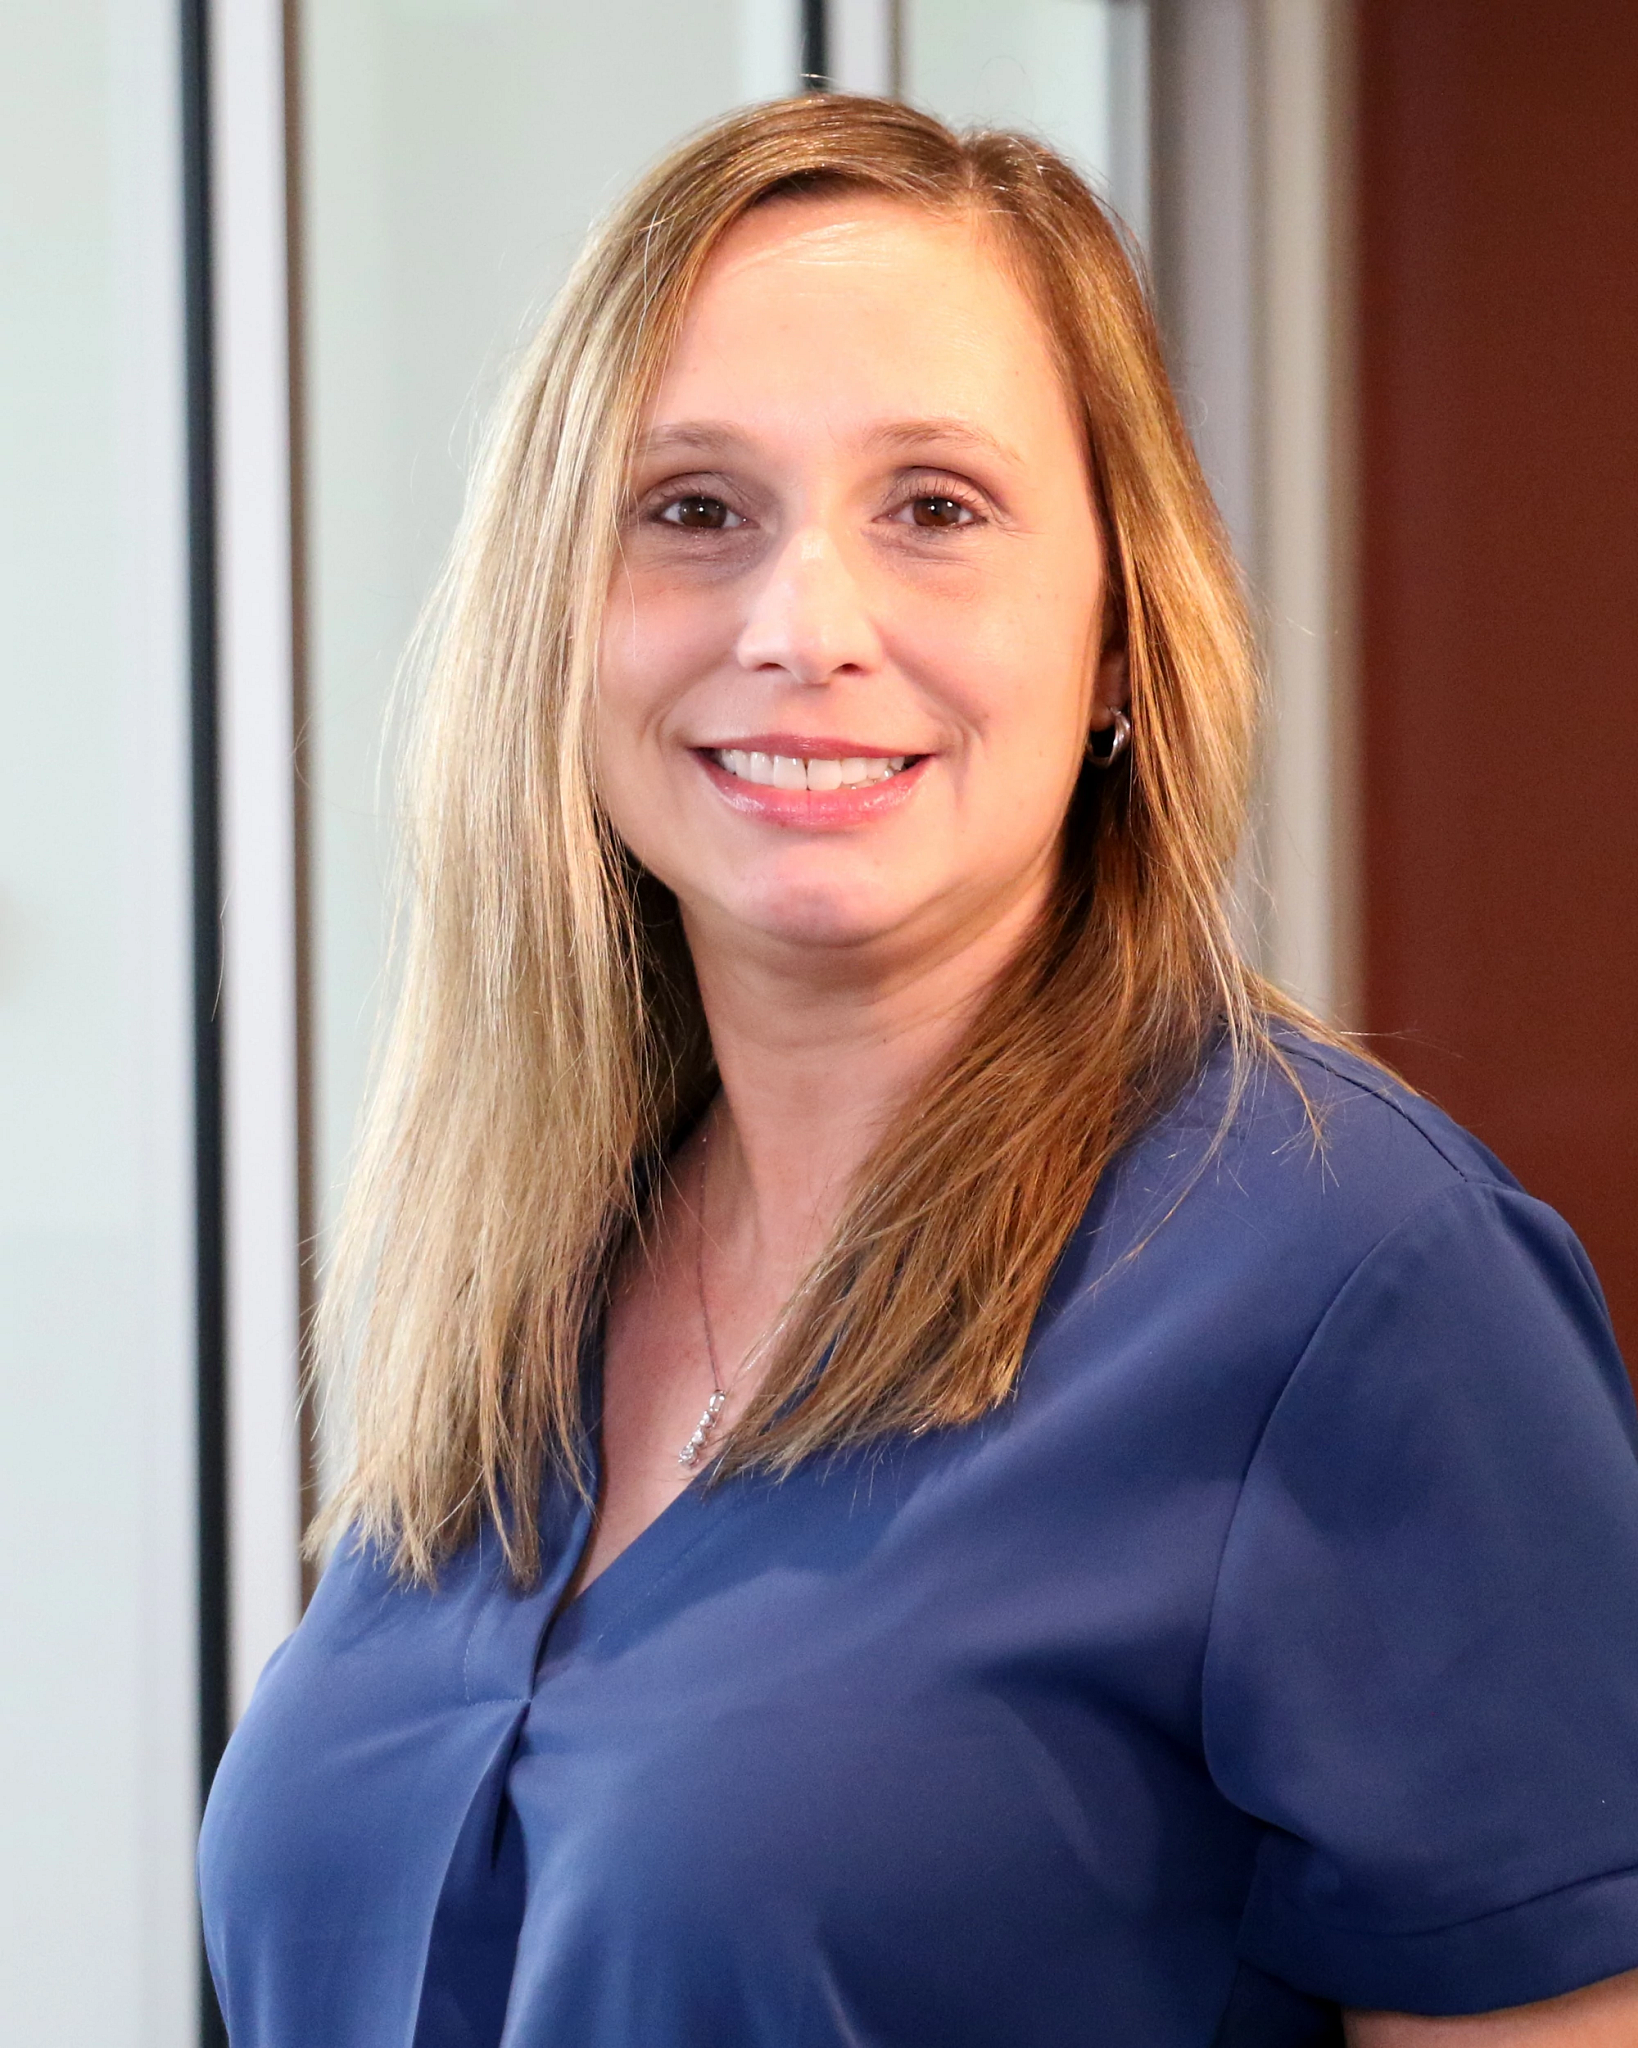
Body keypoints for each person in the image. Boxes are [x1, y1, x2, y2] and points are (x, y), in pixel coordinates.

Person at [198, 96, 1638, 2046]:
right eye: (691, 509)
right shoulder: (525, 1272)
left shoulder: (1366, 1291)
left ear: (1124, 634)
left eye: (936, 511)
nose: (804, 627)